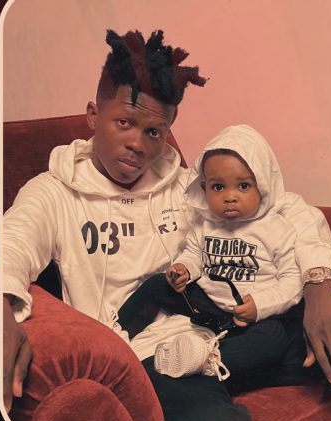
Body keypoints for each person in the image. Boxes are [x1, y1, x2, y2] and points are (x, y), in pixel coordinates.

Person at [2, 29, 331, 421]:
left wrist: (318, 287)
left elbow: (287, 209)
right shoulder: (53, 193)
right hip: (158, 359)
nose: (138, 143)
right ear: (93, 115)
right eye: (124, 123)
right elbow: (11, 245)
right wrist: (1, 314)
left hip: (235, 329)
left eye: (154, 131)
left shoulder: (185, 185)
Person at [116, 124, 307, 384]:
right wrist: (183, 269)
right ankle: (113, 337)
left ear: (262, 185)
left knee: (273, 338)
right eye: (218, 188)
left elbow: (292, 281)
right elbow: (194, 254)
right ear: (204, 187)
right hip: (208, 307)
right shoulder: (205, 224)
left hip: (253, 317)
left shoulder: (275, 228)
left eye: (243, 186)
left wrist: (260, 306)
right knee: (158, 284)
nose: (230, 197)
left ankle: (207, 361)